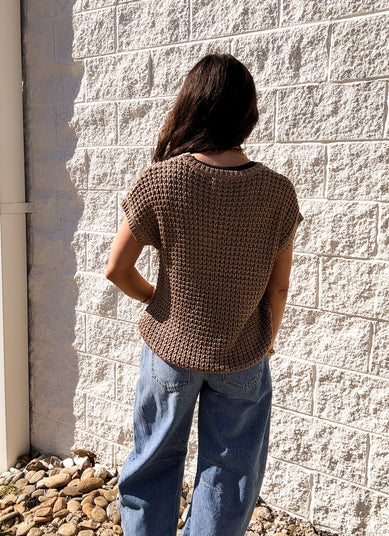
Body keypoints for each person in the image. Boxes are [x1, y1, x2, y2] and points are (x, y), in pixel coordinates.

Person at [105, 53, 303, 536]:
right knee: (230, 472)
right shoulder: (278, 192)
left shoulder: (164, 180)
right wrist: (268, 338)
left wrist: (160, 300)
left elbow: (116, 269)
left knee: (153, 461)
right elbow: (278, 287)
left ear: (192, 106)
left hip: (170, 351)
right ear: (247, 113)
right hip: (242, 358)